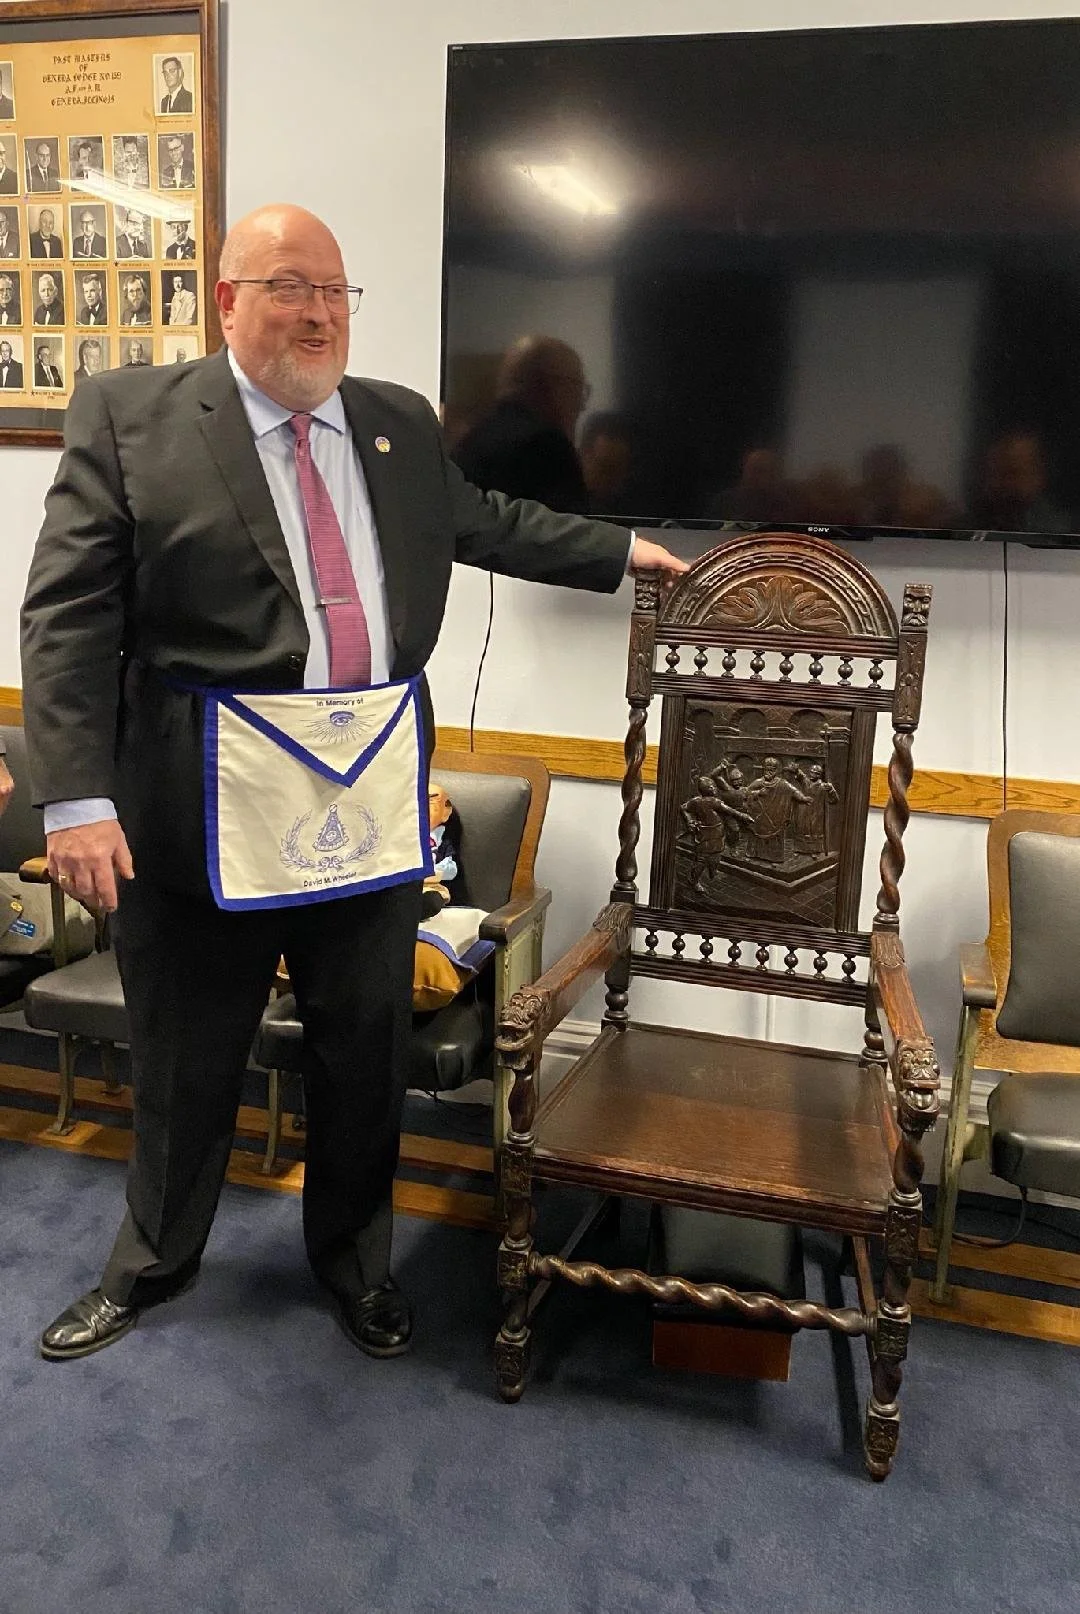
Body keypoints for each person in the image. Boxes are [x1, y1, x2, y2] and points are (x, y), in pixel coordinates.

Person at [21, 201, 686, 1364]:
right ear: (226, 298)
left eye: (334, 290)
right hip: (199, 803)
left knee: (363, 1050)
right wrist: (77, 799)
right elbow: (68, 612)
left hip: (365, 796)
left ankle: (354, 1265)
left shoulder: (392, 422)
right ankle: (153, 1265)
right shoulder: (132, 417)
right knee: (187, 1054)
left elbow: (484, 520)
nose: (317, 312)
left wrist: (620, 553)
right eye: (288, 285)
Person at [452, 335, 592, 512]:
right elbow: (573, 532)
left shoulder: (468, 441)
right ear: (550, 385)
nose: (582, 405)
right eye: (578, 387)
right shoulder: (547, 446)